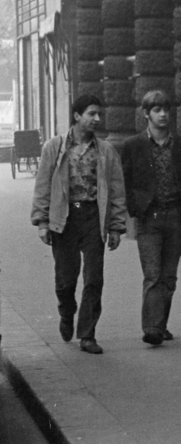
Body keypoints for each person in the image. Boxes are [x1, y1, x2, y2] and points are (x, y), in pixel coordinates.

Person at [31, 93, 127, 355]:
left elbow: (117, 190)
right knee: (65, 280)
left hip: (93, 218)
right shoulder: (55, 147)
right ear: (77, 116)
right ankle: (66, 312)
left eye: (99, 114)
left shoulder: (106, 151)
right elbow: (42, 185)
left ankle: (87, 334)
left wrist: (117, 226)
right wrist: (41, 221)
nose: (97, 118)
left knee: (94, 278)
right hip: (64, 219)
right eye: (91, 114)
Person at [120, 89, 181, 346]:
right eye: (157, 110)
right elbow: (126, 181)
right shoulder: (133, 146)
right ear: (146, 114)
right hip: (149, 219)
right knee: (153, 274)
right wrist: (136, 209)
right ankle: (152, 327)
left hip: (175, 216)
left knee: (169, 276)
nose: (163, 114)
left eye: (166, 109)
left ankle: (160, 324)